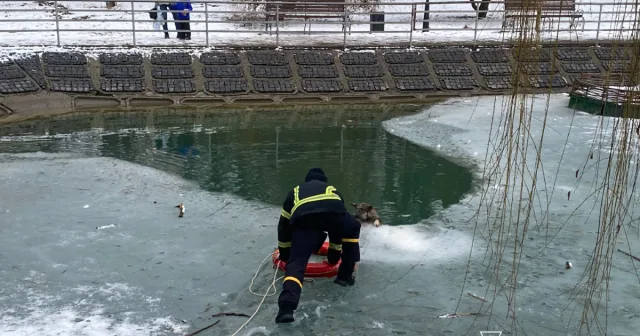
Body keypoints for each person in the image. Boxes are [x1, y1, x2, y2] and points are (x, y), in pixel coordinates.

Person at [275, 168, 361, 324]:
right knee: (352, 227)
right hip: (333, 215)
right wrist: (334, 257)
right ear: (324, 181)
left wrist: (286, 255)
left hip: (305, 221)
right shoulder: (332, 190)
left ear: (307, 180)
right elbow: (337, 229)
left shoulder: (295, 191)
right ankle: (345, 276)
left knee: (297, 263)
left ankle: (286, 309)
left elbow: (283, 226)